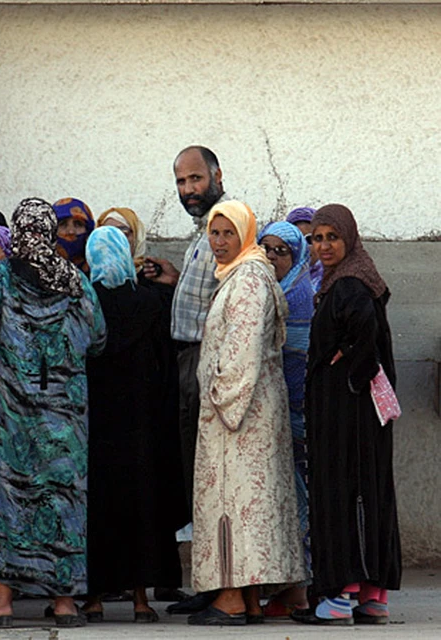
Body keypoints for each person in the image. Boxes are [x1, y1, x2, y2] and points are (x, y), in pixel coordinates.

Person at [0, 198, 106, 629]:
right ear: (51, 234)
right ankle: (64, 604)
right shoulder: (73, 281)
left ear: (18, 233)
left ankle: (0, 605)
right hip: (64, 418)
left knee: (3, 499)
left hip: (9, 416)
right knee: (61, 501)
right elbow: (97, 337)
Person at [188, 201, 306, 626]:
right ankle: (251, 598)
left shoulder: (250, 278)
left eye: (228, 234)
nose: (219, 243)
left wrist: (222, 403)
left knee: (235, 504)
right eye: (214, 234)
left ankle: (233, 597)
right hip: (246, 411)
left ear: (245, 235)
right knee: (246, 506)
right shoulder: (242, 272)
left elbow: (243, 350)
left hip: (240, 415)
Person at [293, 204, 402, 626]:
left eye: (331, 237)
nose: (323, 246)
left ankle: (341, 597)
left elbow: (365, 345)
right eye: (317, 238)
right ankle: (372, 597)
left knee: (345, 492)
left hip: (347, 419)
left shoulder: (349, 286)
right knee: (370, 493)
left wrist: (347, 375)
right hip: (360, 418)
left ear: (349, 239)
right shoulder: (356, 280)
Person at [83, 227, 187, 624]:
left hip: (95, 425)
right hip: (140, 425)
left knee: (99, 507)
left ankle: (93, 599)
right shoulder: (149, 303)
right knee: (140, 507)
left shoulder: (85, 304)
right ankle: (141, 600)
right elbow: (165, 364)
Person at [146, 145, 227, 615]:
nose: (188, 190)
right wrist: (176, 280)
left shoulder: (225, 227)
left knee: (209, 476)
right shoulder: (203, 233)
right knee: (196, 475)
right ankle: (209, 582)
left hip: (206, 362)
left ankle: (218, 585)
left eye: (195, 179)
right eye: (181, 182)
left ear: (217, 175)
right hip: (187, 361)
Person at [256, 221, 315, 616]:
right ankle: (291, 588)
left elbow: (291, 353)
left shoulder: (299, 293)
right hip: (278, 413)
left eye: (283, 251)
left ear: (297, 257)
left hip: (298, 414)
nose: (274, 257)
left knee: (300, 501)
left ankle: (299, 589)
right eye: (267, 248)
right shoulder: (271, 290)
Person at [52, 197, 95, 273]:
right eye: (63, 224)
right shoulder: (38, 270)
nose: (71, 231)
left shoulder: (98, 271)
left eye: (78, 224)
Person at [97, 207, 146, 273]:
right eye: (107, 234)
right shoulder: (85, 279)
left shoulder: (152, 278)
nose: (114, 240)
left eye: (123, 233)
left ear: (137, 237)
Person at [286, 206, 323, 292]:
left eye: (309, 239)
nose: (304, 246)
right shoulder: (278, 276)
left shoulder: (332, 281)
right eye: (298, 240)